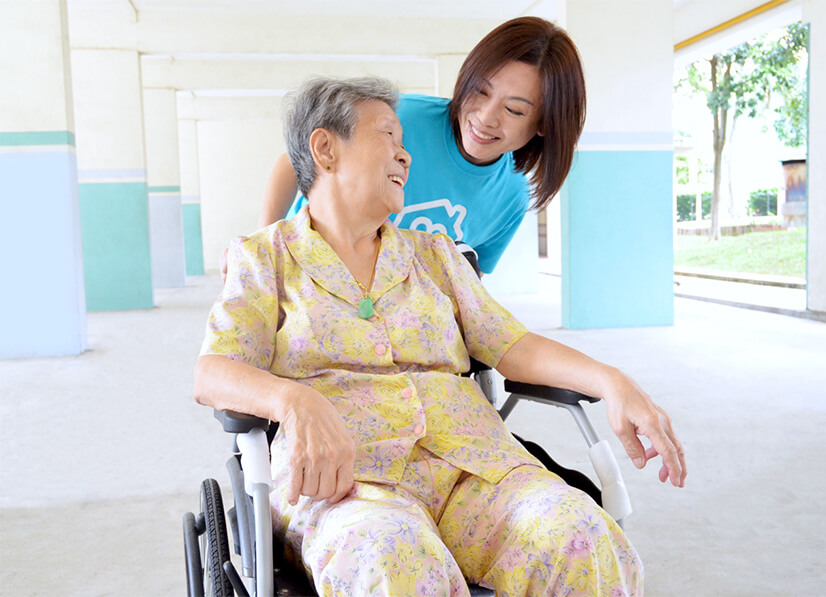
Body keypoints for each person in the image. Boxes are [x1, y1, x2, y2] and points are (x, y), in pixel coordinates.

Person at [195, 77, 685, 597]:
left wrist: (611, 381)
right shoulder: (263, 257)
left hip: (476, 470)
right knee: (392, 560)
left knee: (580, 535)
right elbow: (213, 371)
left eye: (404, 143)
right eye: (388, 136)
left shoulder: (436, 255)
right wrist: (293, 400)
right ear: (325, 149)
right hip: (350, 485)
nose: (405, 156)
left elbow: (512, 345)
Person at [256, 16, 586, 276]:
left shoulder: (511, 195)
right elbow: (295, 160)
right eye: (480, 92)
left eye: (514, 110)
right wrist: (261, 248)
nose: (485, 118)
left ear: (544, 123)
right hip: (305, 272)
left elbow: (467, 280)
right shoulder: (398, 118)